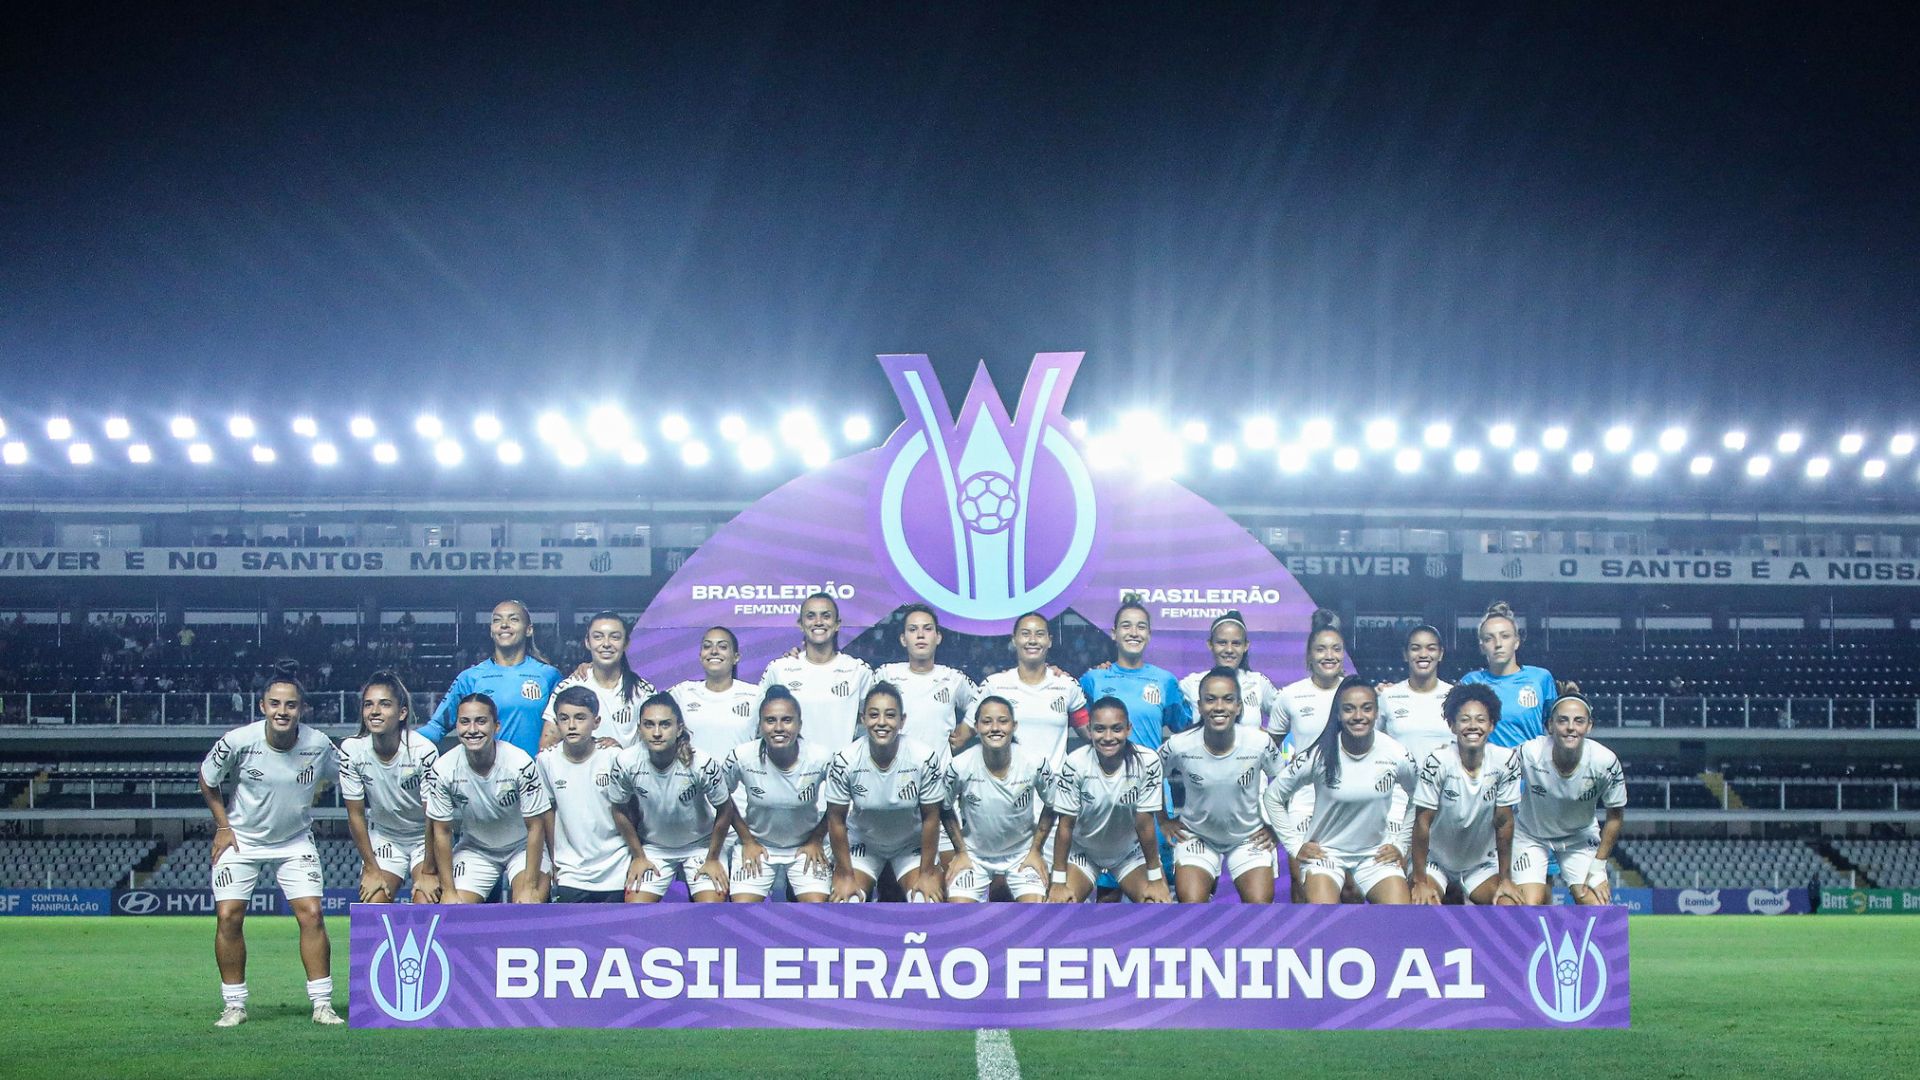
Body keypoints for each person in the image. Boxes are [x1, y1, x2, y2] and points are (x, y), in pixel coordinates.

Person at [198, 666, 342, 1027]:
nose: (282, 711)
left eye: (290, 705)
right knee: (228, 916)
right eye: (275, 703)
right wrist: (222, 826)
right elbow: (207, 778)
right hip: (243, 839)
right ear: (262, 705)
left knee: (312, 914)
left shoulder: (319, 744)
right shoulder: (238, 740)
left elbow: (351, 777)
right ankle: (234, 1005)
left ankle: (322, 1004)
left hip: (294, 841)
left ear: (302, 709)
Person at [1263, 677, 1418, 905]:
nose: (1358, 716)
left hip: (1374, 854)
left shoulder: (1396, 753)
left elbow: (1420, 797)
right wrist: (1295, 846)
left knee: (1400, 915)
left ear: (1376, 713)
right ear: (1338, 714)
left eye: (1366, 709)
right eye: (1349, 709)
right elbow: (1273, 797)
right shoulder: (1318, 754)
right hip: (1326, 855)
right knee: (1323, 916)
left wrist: (1401, 845)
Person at [1159, 668, 1284, 902]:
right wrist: (1163, 820)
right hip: (1197, 835)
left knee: (1259, 908)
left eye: (1228, 699)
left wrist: (1275, 827)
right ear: (1200, 705)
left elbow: (1287, 783)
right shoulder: (1179, 745)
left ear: (1239, 707)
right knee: (1192, 907)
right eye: (1210, 699)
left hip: (1248, 837)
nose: (1219, 707)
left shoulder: (1259, 742)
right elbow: (1149, 775)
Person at [826, 683, 950, 902]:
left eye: (890, 715)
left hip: (910, 844)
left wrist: (927, 872)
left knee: (926, 901)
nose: (881, 722)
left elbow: (931, 817)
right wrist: (844, 873)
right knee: (847, 902)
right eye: (874, 715)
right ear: (863, 719)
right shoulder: (845, 760)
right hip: (864, 843)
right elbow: (836, 819)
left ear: (902, 720)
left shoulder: (924, 758)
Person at [426, 693, 552, 904]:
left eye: (481, 721)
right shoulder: (443, 769)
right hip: (475, 849)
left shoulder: (520, 763)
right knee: (454, 911)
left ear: (496, 726)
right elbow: (442, 830)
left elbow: (536, 827)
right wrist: (448, 890)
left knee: (528, 905)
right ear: (456, 726)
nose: (472, 730)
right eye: (465, 722)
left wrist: (530, 886)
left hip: (521, 848)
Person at [606, 693, 732, 902]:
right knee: (635, 909)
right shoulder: (626, 761)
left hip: (700, 845)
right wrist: (638, 855)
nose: (656, 733)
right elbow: (618, 809)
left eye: (665, 725)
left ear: (679, 728)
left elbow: (725, 809)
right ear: (639, 729)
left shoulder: (701, 763)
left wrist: (712, 857)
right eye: (649, 725)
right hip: (653, 848)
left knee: (712, 908)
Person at [1407, 684, 1524, 906]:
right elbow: (1422, 822)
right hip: (1436, 862)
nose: (1473, 726)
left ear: (1491, 725)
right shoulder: (1438, 762)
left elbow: (1504, 822)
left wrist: (1506, 879)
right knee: (1421, 904)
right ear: (1452, 725)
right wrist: (1420, 881)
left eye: (1480, 720)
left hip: (1479, 864)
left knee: (1509, 905)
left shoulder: (1506, 762)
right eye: (1464, 719)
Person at [1047, 697, 1171, 903]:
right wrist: (1058, 882)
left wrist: (1156, 878)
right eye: (1099, 729)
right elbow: (1065, 826)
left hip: (1129, 853)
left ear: (1128, 729)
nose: (1108, 737)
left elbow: (1145, 824)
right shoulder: (1075, 763)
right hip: (1084, 852)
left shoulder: (1148, 762)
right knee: (1060, 905)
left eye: (1116, 729)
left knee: (1156, 903)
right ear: (1089, 729)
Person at [1512, 687, 1627, 905]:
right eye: (1563, 721)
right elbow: (1496, 766)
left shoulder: (1605, 762)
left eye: (1579, 721)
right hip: (1530, 835)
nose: (1571, 727)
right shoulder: (1530, 753)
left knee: (1597, 905)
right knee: (1527, 906)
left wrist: (1599, 867)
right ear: (1550, 726)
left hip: (1579, 838)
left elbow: (1615, 817)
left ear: (1589, 726)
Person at [718, 687, 835, 902]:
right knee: (743, 909)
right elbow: (721, 796)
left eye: (787, 720)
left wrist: (817, 838)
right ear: (760, 725)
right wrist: (747, 839)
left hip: (805, 847)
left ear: (799, 724)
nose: (778, 728)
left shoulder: (820, 757)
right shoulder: (742, 756)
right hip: (758, 846)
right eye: (770, 720)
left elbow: (841, 801)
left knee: (817, 909)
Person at [340, 669, 440, 905]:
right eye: (368, 705)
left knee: (426, 901)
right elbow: (355, 815)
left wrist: (428, 871)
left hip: (424, 839)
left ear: (402, 713)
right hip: (385, 837)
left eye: (384, 704)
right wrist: (371, 869)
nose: (374, 711)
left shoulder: (423, 751)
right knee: (373, 902)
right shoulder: (352, 750)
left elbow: (434, 815)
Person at [944, 695, 1055, 903]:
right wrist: (960, 851)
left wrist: (1036, 850)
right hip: (974, 856)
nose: (995, 728)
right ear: (976, 726)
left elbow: (1053, 804)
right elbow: (944, 807)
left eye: (1002, 721)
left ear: (1014, 726)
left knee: (1035, 912)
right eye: (987, 722)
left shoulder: (1035, 763)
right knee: (956, 915)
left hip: (1022, 855)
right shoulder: (959, 766)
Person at [417, 600, 563, 756]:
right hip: (485, 776)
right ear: (491, 631)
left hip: (535, 776)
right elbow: (436, 727)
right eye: (497, 620)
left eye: (513, 619)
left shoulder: (549, 676)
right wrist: (401, 741)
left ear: (528, 630)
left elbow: (567, 726)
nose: (504, 624)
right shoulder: (470, 678)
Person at [538, 685, 639, 902]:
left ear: (596, 722)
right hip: (571, 871)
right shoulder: (546, 761)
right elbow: (548, 813)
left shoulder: (613, 757)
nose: (572, 725)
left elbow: (631, 811)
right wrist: (555, 860)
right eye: (564, 718)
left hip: (616, 865)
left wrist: (636, 855)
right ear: (556, 723)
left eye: (580, 718)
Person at [974, 613, 1088, 766]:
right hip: (1009, 786)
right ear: (1014, 640)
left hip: (1054, 786)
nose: (1032, 640)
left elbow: (1093, 736)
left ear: (1050, 641)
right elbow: (965, 732)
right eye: (1025, 634)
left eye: (1040, 634)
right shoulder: (994, 685)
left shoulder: (1067, 685)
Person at [761, 592, 873, 748]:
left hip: (840, 768)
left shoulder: (858, 671)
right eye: (811, 616)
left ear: (837, 624)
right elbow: (758, 724)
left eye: (826, 616)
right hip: (793, 769)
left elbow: (874, 720)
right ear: (800, 624)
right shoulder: (779, 669)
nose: (818, 622)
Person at [1080, 598, 1191, 755]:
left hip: (1149, 777)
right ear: (1114, 633)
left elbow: (1186, 730)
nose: (1134, 633)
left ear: (1149, 635)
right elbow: (1080, 727)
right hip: (1106, 777)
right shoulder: (1093, 679)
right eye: (1126, 626)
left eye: (1141, 627)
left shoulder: (1166, 681)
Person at [538, 611, 654, 750]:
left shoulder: (643, 691)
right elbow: (547, 745)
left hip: (628, 771)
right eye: (598, 637)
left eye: (615, 637)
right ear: (587, 642)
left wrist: (619, 752)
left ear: (626, 643)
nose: (606, 644)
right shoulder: (570, 686)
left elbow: (655, 742)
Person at [875, 604, 979, 754]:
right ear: (903, 639)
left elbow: (983, 702)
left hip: (939, 774)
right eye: (912, 629)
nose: (920, 635)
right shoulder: (886, 674)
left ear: (938, 637)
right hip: (895, 771)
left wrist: (966, 730)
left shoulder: (953, 678)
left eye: (928, 628)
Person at [1458, 600, 1558, 747]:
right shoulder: (1470, 682)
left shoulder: (1541, 678)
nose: (1498, 644)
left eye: (1505, 636)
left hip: (1529, 767)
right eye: (1489, 638)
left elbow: (1555, 727)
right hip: (1488, 768)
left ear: (1516, 641)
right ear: (1482, 647)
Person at [668, 626, 764, 760]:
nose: (714, 651)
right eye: (707, 646)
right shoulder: (682, 692)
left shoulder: (756, 695)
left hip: (740, 780)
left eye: (723, 647)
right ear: (700, 656)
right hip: (693, 780)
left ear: (736, 657)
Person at [1177, 610, 1277, 732]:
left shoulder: (1257, 681)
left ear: (1246, 646)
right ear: (1210, 644)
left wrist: (1270, 739)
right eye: (1222, 643)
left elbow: (1287, 711)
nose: (1229, 649)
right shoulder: (1193, 683)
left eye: (1236, 643)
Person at [1266, 607, 1347, 751]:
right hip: (1306, 775)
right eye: (1320, 649)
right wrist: (1287, 772)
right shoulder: (1290, 695)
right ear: (1309, 655)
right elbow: (1270, 748)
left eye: (1336, 649)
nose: (1329, 656)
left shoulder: (1355, 692)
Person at [1379, 624, 1455, 765]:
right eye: (1415, 648)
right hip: (1400, 786)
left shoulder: (1455, 696)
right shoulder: (1387, 696)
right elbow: (1372, 742)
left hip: (1446, 785)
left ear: (1441, 653)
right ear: (1405, 654)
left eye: (1431, 648)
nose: (1423, 654)